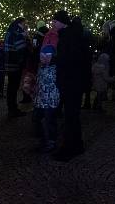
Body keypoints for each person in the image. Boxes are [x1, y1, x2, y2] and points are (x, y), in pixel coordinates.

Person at [53, 9, 86, 161]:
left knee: (70, 116)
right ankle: (76, 144)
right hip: (73, 81)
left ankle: (70, 147)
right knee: (72, 115)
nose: (53, 24)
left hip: (71, 81)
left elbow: (69, 60)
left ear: (62, 22)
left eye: (55, 21)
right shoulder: (71, 35)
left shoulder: (69, 37)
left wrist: (54, 60)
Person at [33, 44, 60, 152]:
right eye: (42, 55)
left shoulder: (55, 69)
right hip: (40, 100)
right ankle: (43, 140)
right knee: (37, 119)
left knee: (50, 121)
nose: (44, 58)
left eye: (47, 55)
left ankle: (51, 141)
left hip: (51, 100)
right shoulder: (41, 67)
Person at [4, 17, 29, 117]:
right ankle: (13, 109)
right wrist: (26, 38)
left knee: (11, 87)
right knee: (13, 87)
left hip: (8, 63)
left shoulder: (10, 31)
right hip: (15, 63)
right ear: (21, 23)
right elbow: (21, 49)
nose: (25, 25)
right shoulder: (18, 33)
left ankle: (11, 108)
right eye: (25, 23)